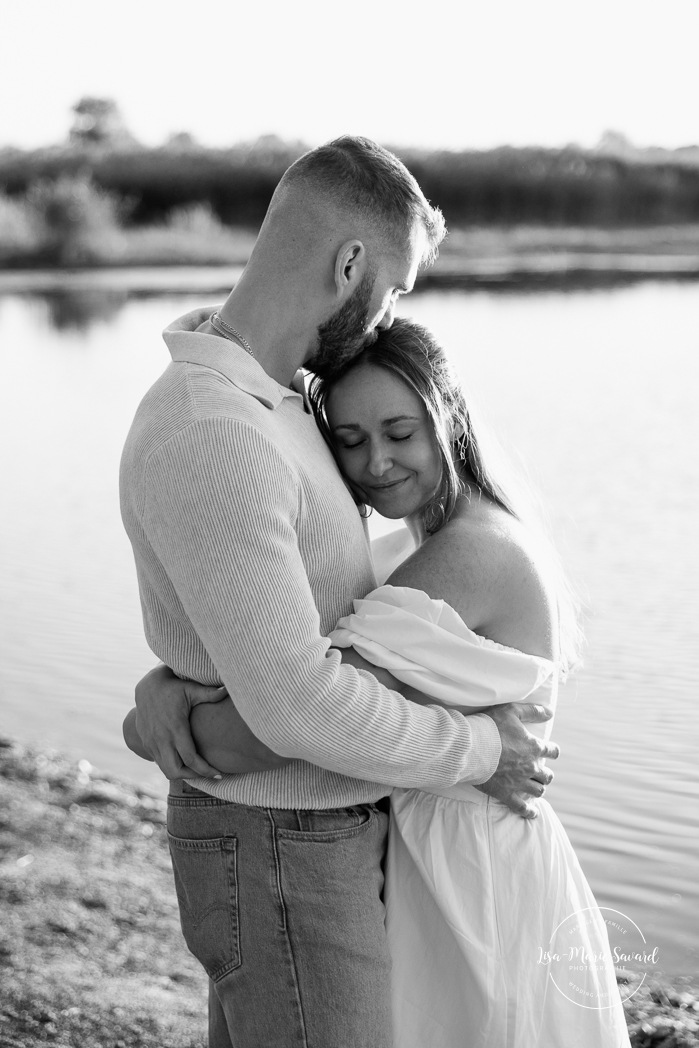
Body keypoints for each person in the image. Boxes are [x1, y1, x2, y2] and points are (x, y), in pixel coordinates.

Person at [120, 136, 558, 1048]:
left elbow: (286, 620)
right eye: (393, 288)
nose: (389, 312)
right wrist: (481, 751)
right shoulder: (215, 429)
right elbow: (295, 702)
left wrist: (168, 685)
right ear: (350, 262)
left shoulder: (277, 405)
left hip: (309, 828)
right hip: (277, 838)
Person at [147, 317, 631, 1047]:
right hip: (421, 852)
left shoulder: (469, 557)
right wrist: (158, 685)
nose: (375, 462)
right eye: (349, 440)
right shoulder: (412, 547)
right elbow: (278, 658)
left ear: (450, 420)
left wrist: (154, 718)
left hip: (470, 874)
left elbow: (278, 724)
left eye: (399, 432)